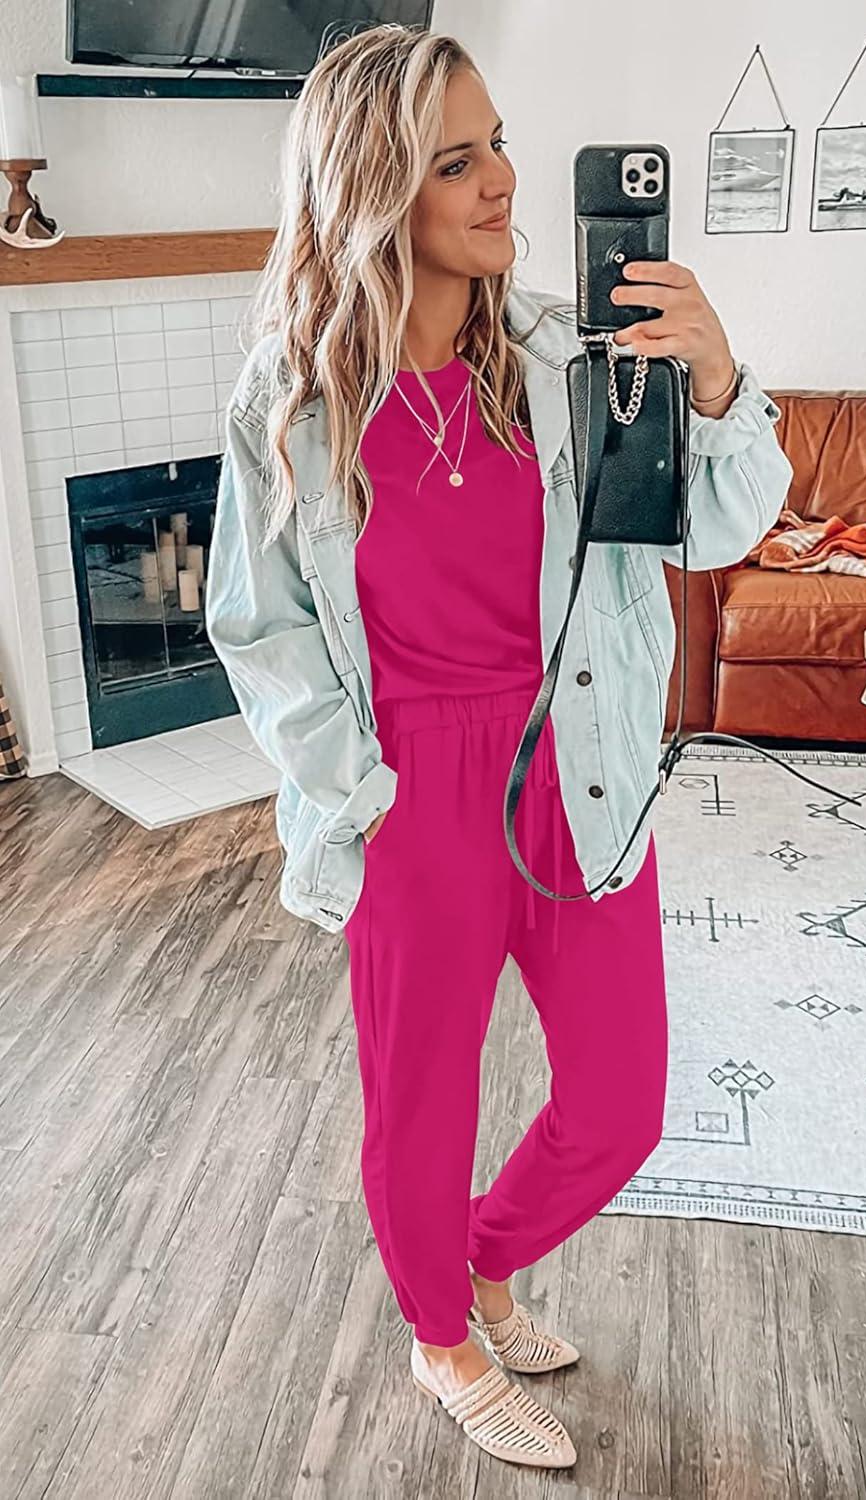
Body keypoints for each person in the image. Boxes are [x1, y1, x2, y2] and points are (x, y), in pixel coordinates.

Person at [205, 22, 793, 1472]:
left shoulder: (573, 356)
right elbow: (259, 626)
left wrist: (718, 383)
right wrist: (357, 796)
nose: (504, 182)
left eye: (500, 144)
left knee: (622, 1103)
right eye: (455, 160)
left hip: (575, 754)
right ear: (373, 190)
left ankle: (470, 1260)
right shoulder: (293, 395)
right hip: (408, 784)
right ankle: (443, 1336)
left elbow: (717, 529)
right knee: (423, 1105)